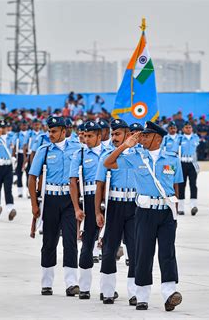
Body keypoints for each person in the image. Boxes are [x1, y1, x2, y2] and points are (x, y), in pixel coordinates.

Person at [103, 121, 183, 312]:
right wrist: (125, 145)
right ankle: (142, 296)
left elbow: (177, 186)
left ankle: (170, 293)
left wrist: (176, 209)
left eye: (146, 135)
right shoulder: (136, 156)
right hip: (144, 212)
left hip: (166, 212)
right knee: (143, 253)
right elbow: (108, 162)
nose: (141, 138)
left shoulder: (172, 159)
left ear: (157, 138)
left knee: (167, 253)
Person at [28, 116, 80, 297]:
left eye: (54, 131)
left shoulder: (77, 148)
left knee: (70, 241)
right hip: (50, 199)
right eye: (49, 131)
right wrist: (34, 204)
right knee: (49, 242)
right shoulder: (44, 150)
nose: (50, 134)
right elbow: (32, 177)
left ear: (63, 131)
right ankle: (47, 283)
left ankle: (72, 283)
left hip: (69, 200)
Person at [95, 119, 137, 305]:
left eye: (117, 134)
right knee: (110, 248)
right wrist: (98, 212)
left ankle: (135, 291)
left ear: (128, 135)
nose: (113, 138)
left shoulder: (138, 155)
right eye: (112, 134)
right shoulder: (107, 155)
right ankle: (108, 291)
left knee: (135, 250)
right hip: (114, 205)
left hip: (135, 205)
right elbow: (99, 186)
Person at [69, 121, 108, 299]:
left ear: (99, 136)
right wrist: (77, 207)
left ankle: (107, 288)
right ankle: (84, 287)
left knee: (108, 245)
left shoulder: (109, 153)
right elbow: (73, 182)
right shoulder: (80, 154)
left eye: (90, 136)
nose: (86, 139)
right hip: (89, 199)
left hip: (108, 199)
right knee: (87, 244)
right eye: (85, 136)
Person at [0, 120, 17, 221]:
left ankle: (10, 209)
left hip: (8, 165)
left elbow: (13, 148)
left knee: (8, 188)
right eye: (0, 127)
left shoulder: (11, 137)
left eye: (4, 127)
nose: (3, 129)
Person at [176, 121, 200, 216]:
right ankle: (181, 208)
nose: (188, 129)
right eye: (186, 127)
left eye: (190, 127)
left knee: (193, 184)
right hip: (182, 163)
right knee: (182, 185)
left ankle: (193, 206)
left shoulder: (195, 137)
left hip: (192, 164)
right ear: (183, 129)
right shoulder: (180, 138)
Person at [15, 120, 30, 198]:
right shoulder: (17, 134)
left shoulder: (29, 133)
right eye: (22, 125)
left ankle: (28, 191)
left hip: (28, 154)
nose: (24, 126)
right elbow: (14, 145)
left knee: (28, 173)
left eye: (25, 125)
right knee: (19, 173)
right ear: (20, 126)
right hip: (19, 154)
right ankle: (19, 191)